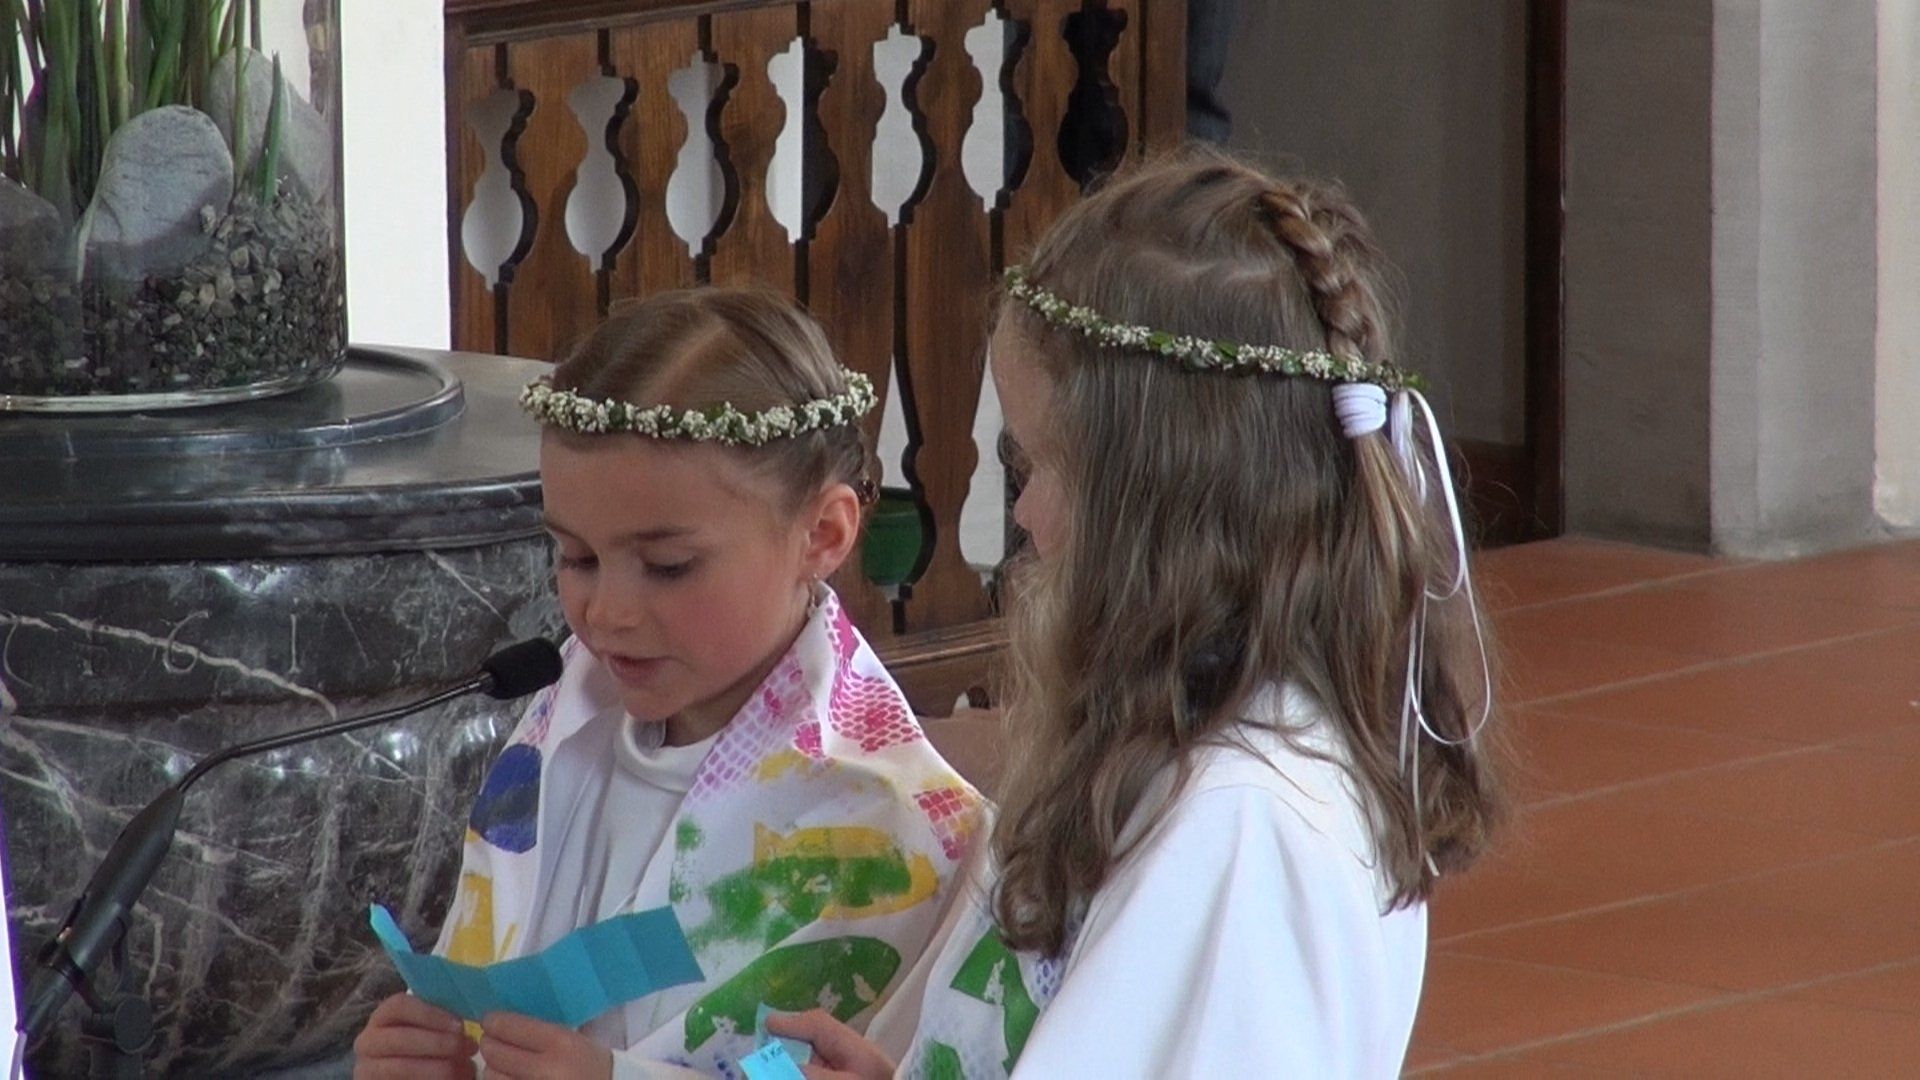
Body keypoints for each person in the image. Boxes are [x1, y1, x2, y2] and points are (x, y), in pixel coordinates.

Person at [772, 150, 1507, 1078]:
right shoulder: (1175, 744)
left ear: (1158, 515)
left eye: (1040, 467)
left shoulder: (1240, 833)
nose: (1026, 516)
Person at [353, 288, 985, 1079]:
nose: (606, 613)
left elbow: (825, 1065)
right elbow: (492, 999)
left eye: (668, 566)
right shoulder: (560, 730)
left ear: (821, 535)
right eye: (577, 557)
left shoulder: (896, 829)